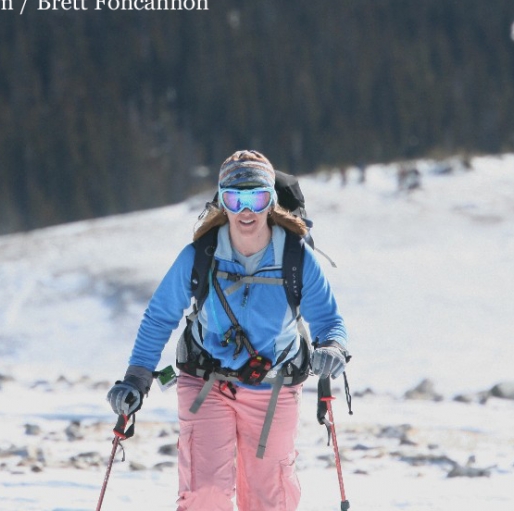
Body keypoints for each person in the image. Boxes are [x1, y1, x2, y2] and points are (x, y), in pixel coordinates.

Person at [107, 150, 349, 510]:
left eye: (257, 197)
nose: (246, 210)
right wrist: (137, 377)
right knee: (206, 496)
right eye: (235, 198)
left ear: (271, 201)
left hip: (274, 385)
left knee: (270, 500)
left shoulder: (296, 257)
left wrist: (331, 348)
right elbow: (160, 316)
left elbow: (329, 322)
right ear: (222, 202)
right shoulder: (201, 254)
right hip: (205, 381)